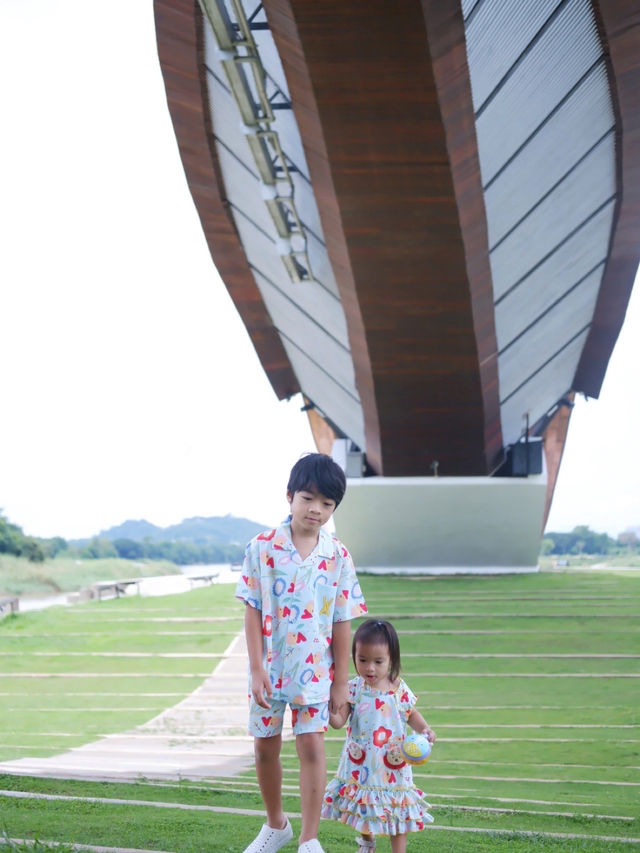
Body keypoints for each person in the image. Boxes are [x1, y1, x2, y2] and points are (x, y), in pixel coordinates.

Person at [236, 453, 369, 853]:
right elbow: (252, 609)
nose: (316, 510)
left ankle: (309, 839)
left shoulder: (338, 555)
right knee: (265, 747)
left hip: (316, 672)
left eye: (327, 504)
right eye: (308, 498)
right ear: (290, 496)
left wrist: (341, 682)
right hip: (269, 671)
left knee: (311, 747)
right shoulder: (261, 548)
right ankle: (276, 825)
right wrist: (256, 668)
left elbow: (343, 620)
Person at [321, 618, 436, 853]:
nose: (370, 668)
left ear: (391, 659)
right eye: (362, 660)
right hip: (362, 763)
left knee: (398, 808)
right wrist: (328, 711)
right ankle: (367, 843)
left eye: (378, 661)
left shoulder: (398, 689)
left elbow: (411, 713)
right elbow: (339, 722)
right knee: (364, 804)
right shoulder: (354, 688)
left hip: (393, 764)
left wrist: (424, 729)